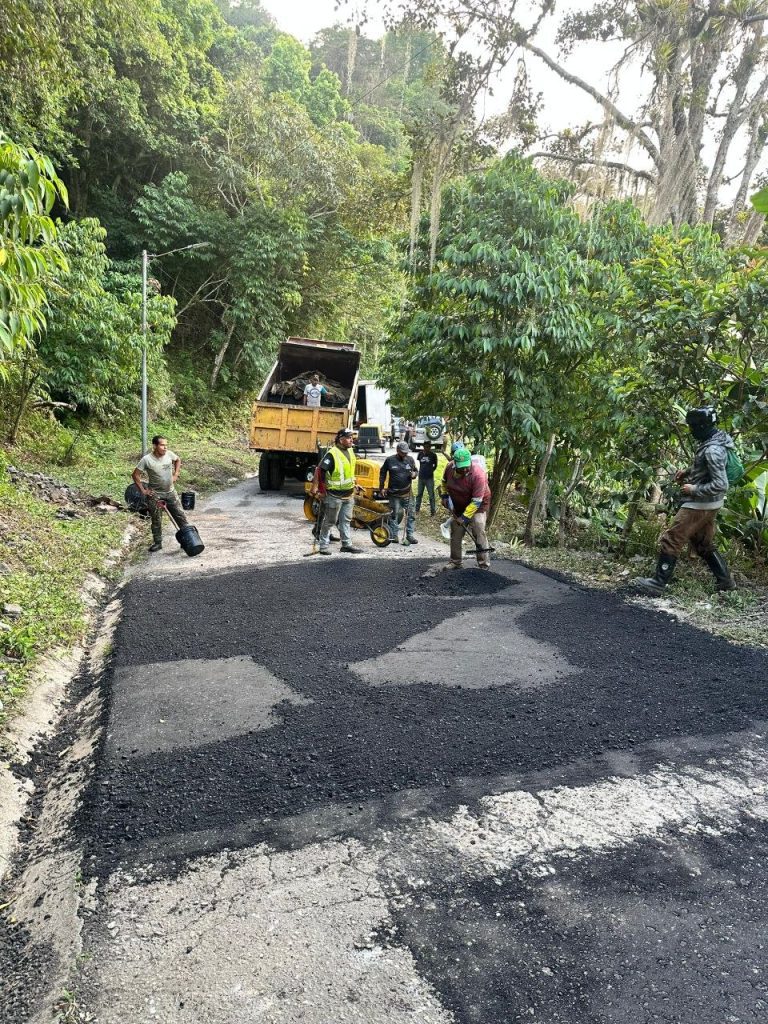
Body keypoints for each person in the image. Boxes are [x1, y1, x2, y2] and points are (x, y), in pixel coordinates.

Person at [634, 406, 737, 594]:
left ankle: (658, 582)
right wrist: (688, 472)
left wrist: (694, 488)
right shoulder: (716, 440)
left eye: (693, 427)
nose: (691, 430)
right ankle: (725, 581)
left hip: (699, 503)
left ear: (703, 426)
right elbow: (706, 467)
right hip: (711, 503)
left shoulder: (712, 450)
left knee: (672, 537)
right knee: (702, 543)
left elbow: (721, 484)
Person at [132, 435, 190, 553]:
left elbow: (178, 460)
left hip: (171, 492)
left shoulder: (169, 454)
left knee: (180, 516)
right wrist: (143, 490)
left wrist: (176, 474)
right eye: (162, 445)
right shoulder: (146, 460)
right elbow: (135, 475)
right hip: (155, 495)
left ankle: (187, 540)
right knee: (156, 519)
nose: (165, 448)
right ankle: (158, 543)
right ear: (155, 446)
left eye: (166, 445)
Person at [312, 427, 362, 555]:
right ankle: (323, 546)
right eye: (349, 437)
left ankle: (346, 544)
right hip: (334, 495)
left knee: (346, 520)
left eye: (352, 437)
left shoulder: (350, 451)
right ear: (341, 439)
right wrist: (320, 490)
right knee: (330, 521)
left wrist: (355, 484)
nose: (352, 440)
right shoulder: (332, 453)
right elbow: (320, 470)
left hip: (348, 494)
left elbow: (349, 472)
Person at [440, 446, 492, 569]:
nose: (464, 470)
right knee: (456, 529)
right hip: (459, 503)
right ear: (455, 464)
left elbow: (476, 501)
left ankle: (483, 564)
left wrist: (464, 517)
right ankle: (456, 561)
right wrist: (444, 496)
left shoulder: (478, 475)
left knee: (478, 527)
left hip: (478, 505)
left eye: (466, 467)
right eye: (461, 467)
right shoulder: (449, 468)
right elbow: (443, 482)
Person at [380, 441, 418, 544]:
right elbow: (382, 473)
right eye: (402, 452)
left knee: (411, 514)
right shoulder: (390, 460)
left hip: (407, 492)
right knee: (394, 515)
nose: (405, 454)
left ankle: (409, 535)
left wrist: (414, 474)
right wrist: (381, 487)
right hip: (394, 493)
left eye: (406, 452)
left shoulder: (410, 460)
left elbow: (415, 470)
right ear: (397, 450)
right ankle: (394, 535)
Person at [415, 440, 438, 515]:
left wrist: (431, 471)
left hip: (429, 478)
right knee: (419, 494)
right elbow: (420, 463)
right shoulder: (420, 454)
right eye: (425, 447)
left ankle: (433, 511)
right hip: (421, 477)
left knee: (431, 495)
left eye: (428, 447)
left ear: (430, 447)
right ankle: (417, 509)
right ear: (423, 446)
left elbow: (435, 465)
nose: (426, 448)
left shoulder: (433, 455)